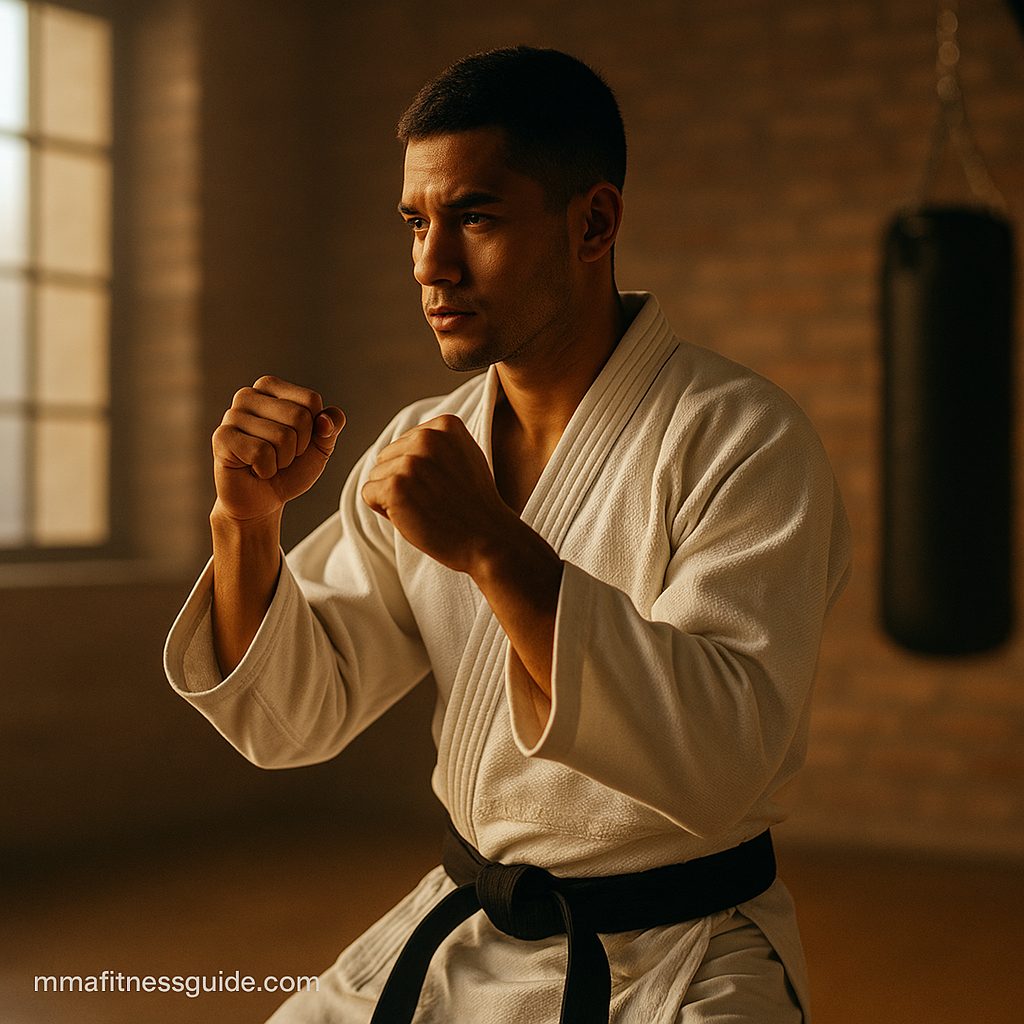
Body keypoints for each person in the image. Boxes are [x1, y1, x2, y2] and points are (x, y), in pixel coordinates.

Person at [164, 46, 851, 1023]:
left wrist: (496, 544)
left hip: (681, 955)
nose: (430, 266)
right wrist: (248, 522)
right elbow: (290, 719)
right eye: (415, 222)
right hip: (462, 926)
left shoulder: (744, 437)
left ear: (594, 222)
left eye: (475, 217)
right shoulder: (421, 446)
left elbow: (721, 759)